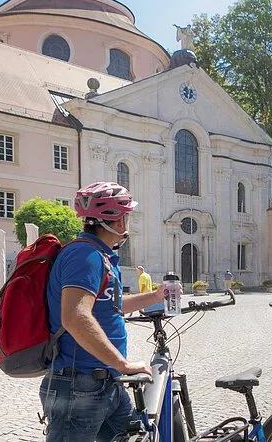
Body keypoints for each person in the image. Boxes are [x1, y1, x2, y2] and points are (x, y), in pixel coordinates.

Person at [40, 182, 176, 441]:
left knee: (138, 436)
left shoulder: (99, 256)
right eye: (127, 216)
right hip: (78, 386)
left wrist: (157, 296)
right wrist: (123, 364)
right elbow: (75, 317)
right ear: (120, 222)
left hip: (105, 383)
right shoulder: (85, 256)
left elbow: (114, 305)